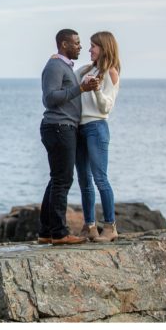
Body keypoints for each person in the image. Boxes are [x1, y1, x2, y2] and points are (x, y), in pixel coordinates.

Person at [37, 28, 98, 246]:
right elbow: (50, 98)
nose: (80, 47)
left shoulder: (65, 67)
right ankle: (60, 234)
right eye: (76, 43)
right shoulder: (55, 66)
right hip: (59, 127)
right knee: (63, 180)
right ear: (64, 44)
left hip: (62, 127)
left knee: (56, 180)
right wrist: (80, 89)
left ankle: (46, 231)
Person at [74, 31, 121, 242]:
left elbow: (106, 107)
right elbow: (71, 79)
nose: (89, 49)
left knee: (100, 178)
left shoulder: (110, 73)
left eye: (94, 46)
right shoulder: (87, 69)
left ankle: (110, 227)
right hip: (80, 127)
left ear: (104, 48)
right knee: (84, 179)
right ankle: (89, 226)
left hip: (96, 126)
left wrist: (96, 91)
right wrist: (57, 57)